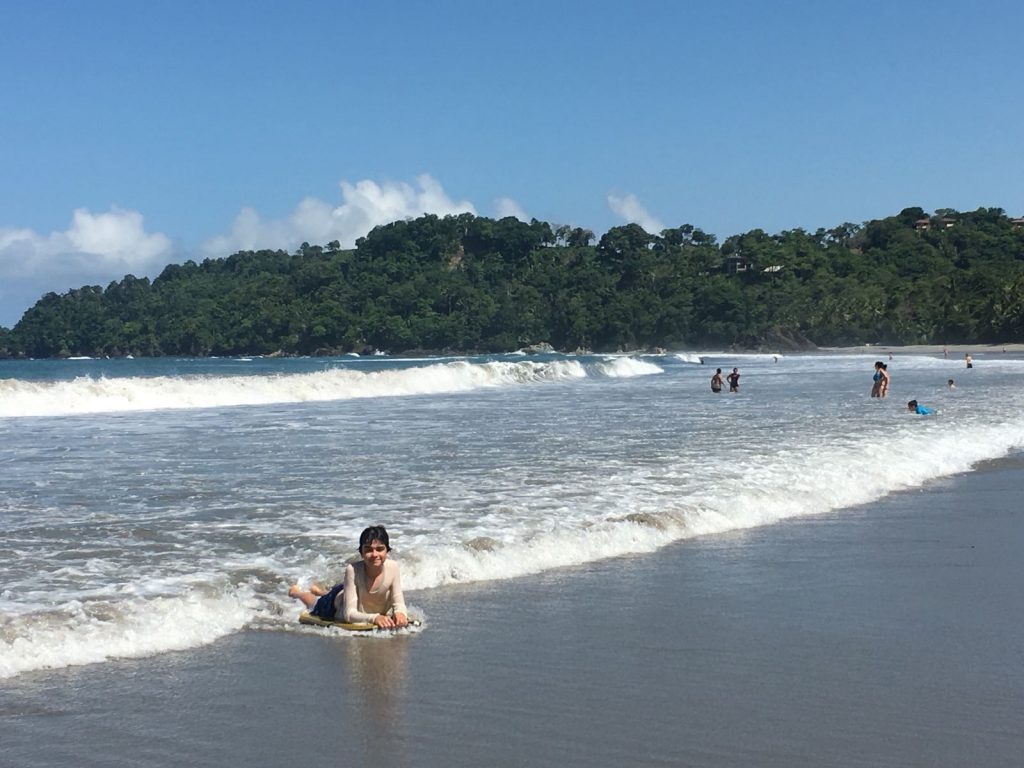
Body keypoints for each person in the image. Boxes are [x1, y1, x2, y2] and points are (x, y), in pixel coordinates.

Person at [289, 525, 409, 629]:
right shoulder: (352, 570)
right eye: (368, 549)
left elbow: (399, 603)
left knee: (334, 593)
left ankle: (318, 590)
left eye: (380, 549)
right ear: (361, 553)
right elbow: (349, 614)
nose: (374, 554)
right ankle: (296, 592)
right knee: (314, 603)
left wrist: (400, 613)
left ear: (387, 551)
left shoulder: (393, 567)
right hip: (337, 605)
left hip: (349, 592)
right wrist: (374, 618)